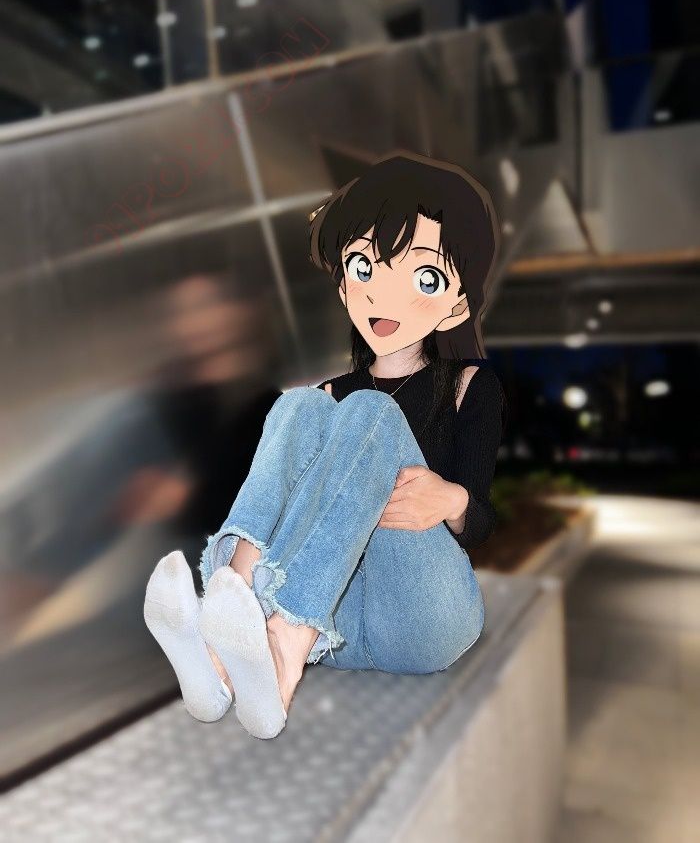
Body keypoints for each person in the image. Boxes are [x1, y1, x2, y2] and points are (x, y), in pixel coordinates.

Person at [144, 151, 506, 739]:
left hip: (423, 617)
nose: (382, 295)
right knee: (297, 404)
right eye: (364, 267)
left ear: (458, 302)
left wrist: (453, 501)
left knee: (367, 412)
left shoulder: (470, 386)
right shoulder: (326, 396)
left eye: (423, 277)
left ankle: (282, 636)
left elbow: (484, 520)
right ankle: (226, 634)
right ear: (343, 285)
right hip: (337, 626)